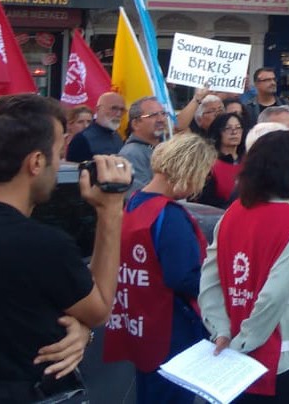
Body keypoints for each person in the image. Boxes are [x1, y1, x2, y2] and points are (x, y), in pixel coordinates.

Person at [0, 94, 130, 403]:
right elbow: (100, 308)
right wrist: (111, 211)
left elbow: (10, 315)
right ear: (36, 162)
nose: (60, 162)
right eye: (58, 152)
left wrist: (76, 328)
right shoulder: (42, 243)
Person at [200, 131, 289, 403]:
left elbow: (210, 280)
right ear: (288, 169)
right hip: (280, 352)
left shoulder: (233, 212)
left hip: (230, 339)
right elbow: (274, 294)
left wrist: (221, 331)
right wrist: (242, 344)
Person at [105, 133, 217, 403]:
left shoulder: (133, 202)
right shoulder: (170, 215)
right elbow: (183, 276)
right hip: (171, 330)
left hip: (141, 324)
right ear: (189, 171)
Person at [120, 96, 169, 197]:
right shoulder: (131, 154)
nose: (161, 119)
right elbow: (141, 197)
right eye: (153, 115)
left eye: (163, 113)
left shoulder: (164, 148)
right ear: (136, 123)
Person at [198, 112, 248, 209]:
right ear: (218, 131)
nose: (234, 132)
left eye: (238, 128)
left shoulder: (249, 161)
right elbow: (205, 201)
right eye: (228, 128)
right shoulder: (208, 164)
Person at [66, 92, 127, 161]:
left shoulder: (117, 137)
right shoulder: (82, 139)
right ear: (98, 109)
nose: (118, 114)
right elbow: (73, 170)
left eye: (122, 110)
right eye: (114, 108)